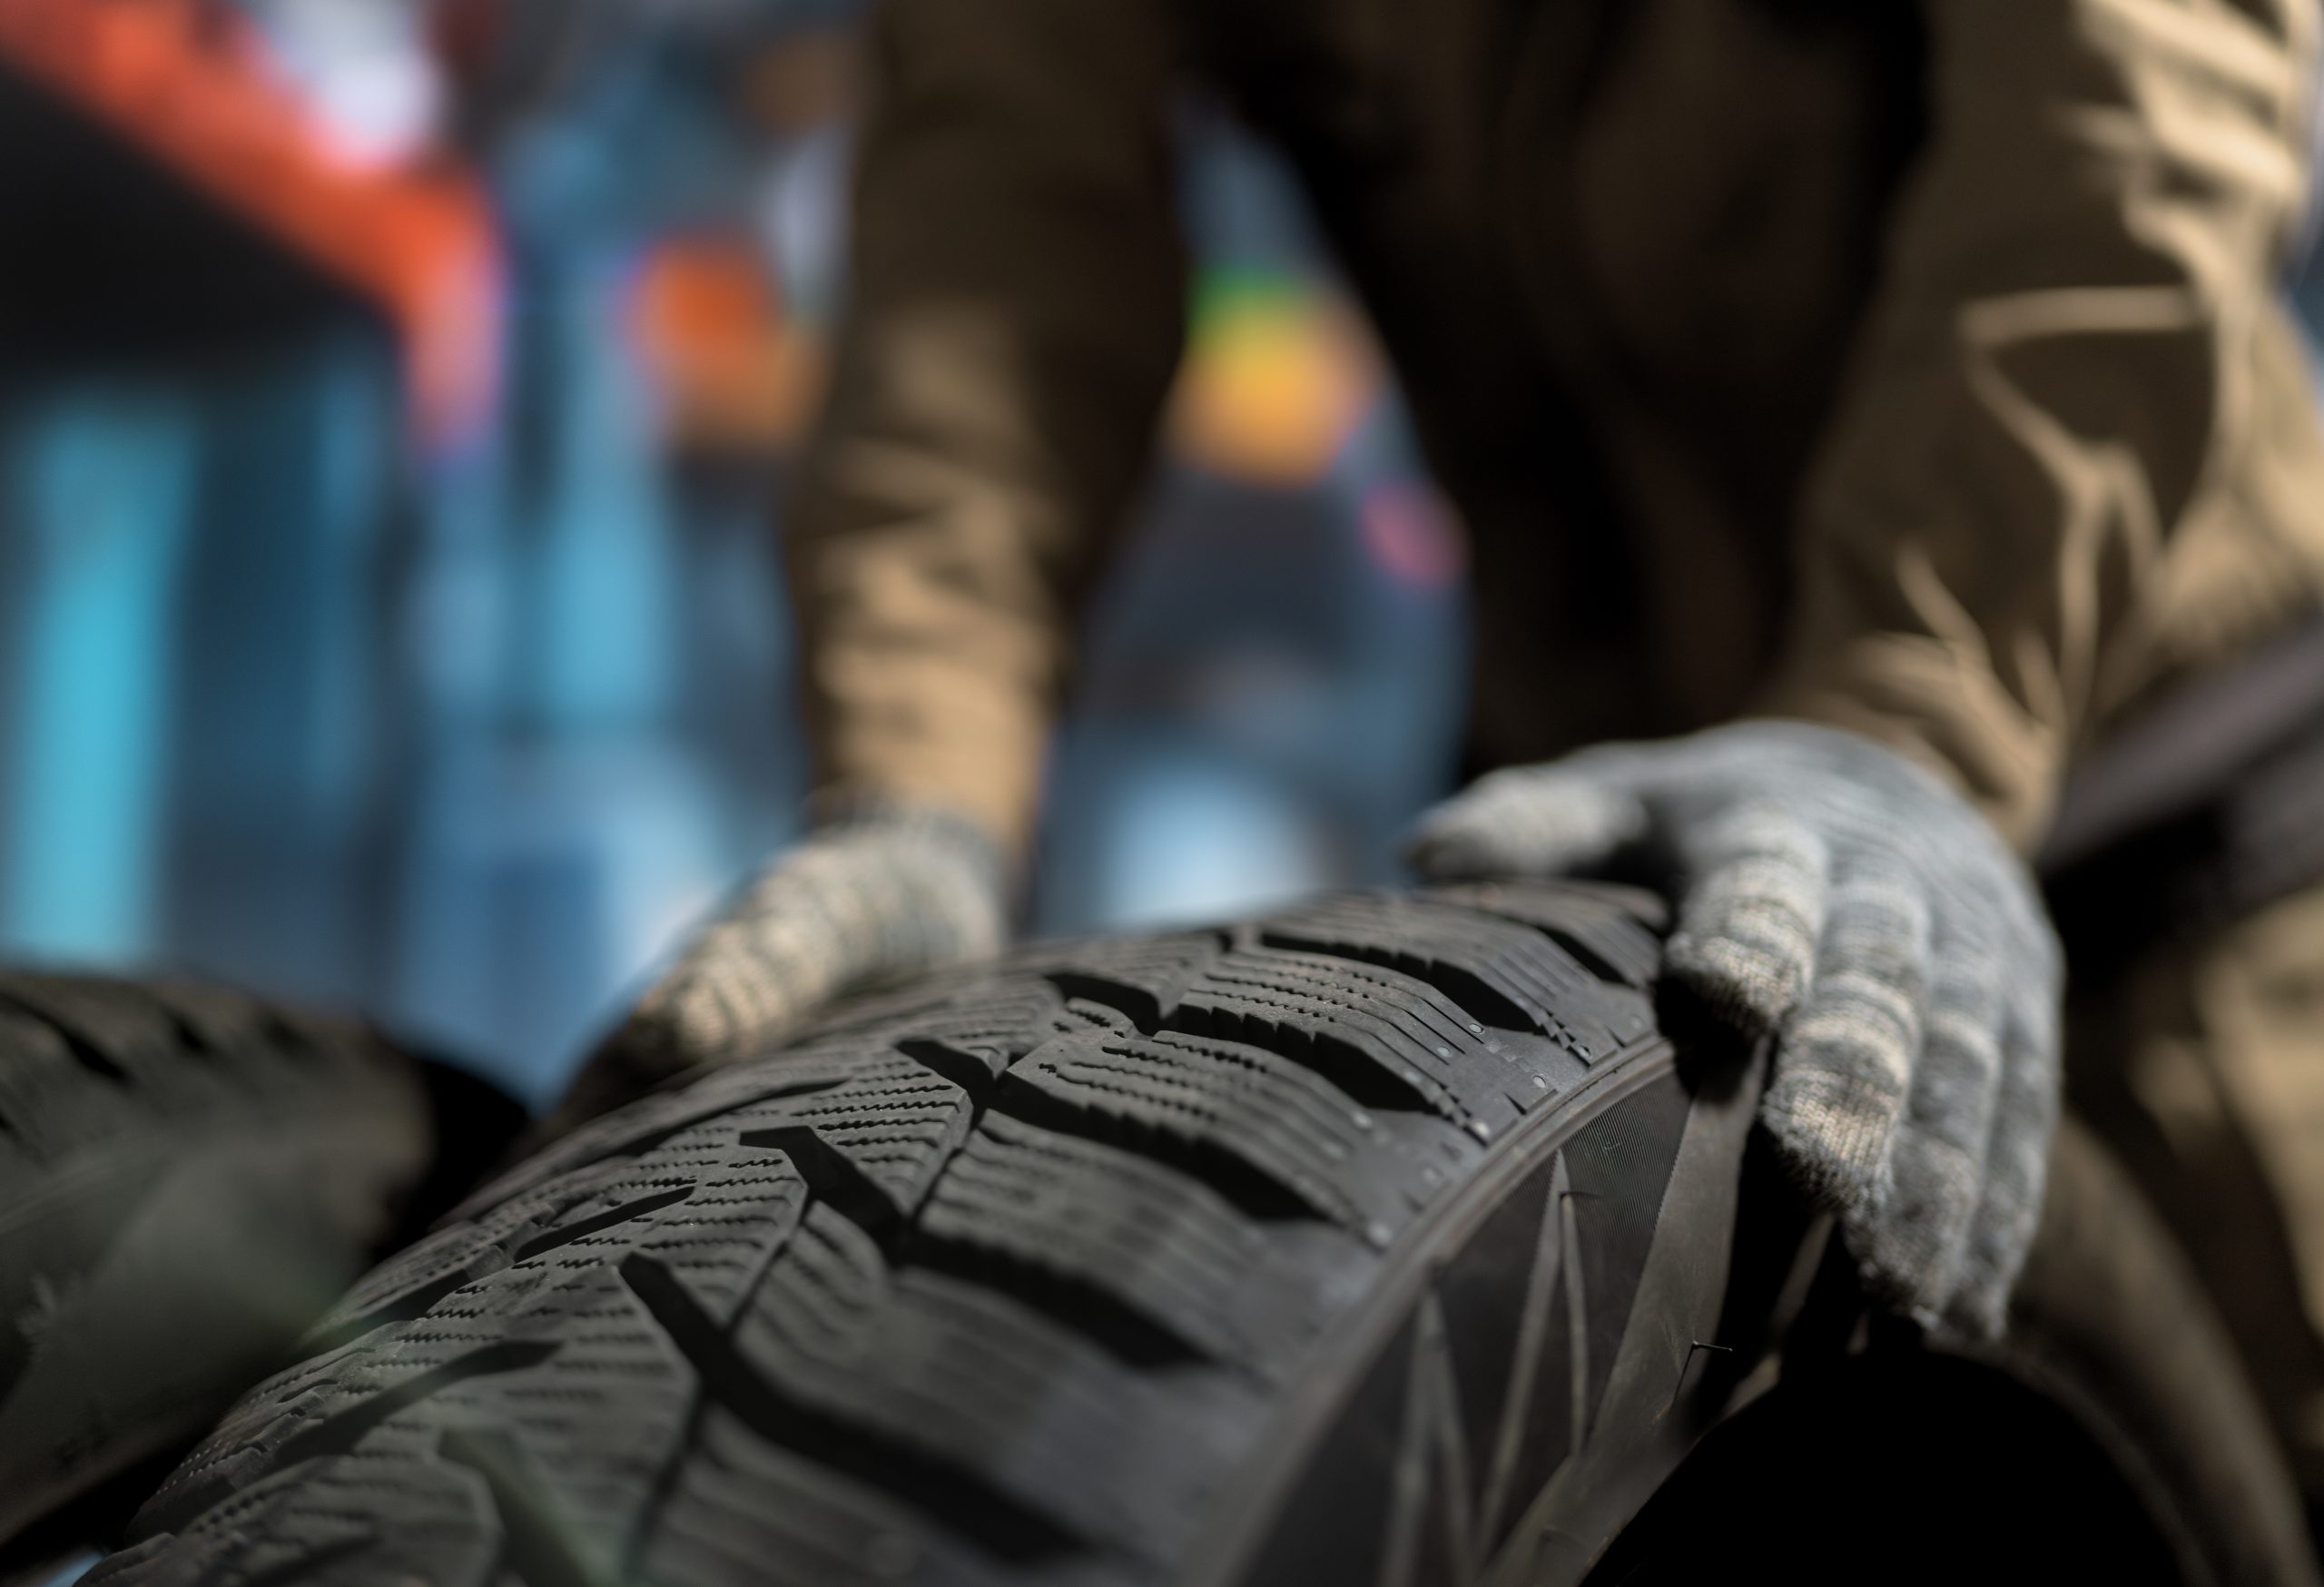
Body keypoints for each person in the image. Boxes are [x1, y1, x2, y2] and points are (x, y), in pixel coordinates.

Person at [547, 0, 2324, 1488]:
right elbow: (996, 216)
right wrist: (916, 790)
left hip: (2194, 876)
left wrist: (1903, 720)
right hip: (1652, 921)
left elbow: (2137, 129)